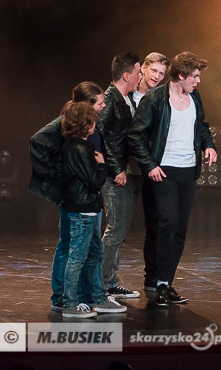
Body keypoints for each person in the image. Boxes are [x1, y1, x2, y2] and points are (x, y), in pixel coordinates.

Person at [129, 51, 217, 306]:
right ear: (181, 75)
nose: (198, 81)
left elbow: (201, 125)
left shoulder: (195, 97)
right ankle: (158, 283)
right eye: (195, 76)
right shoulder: (155, 99)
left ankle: (164, 281)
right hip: (163, 170)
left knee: (179, 229)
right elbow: (135, 134)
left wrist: (208, 145)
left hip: (187, 170)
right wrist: (149, 165)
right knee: (166, 224)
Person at [29, 81, 106, 311]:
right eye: (100, 103)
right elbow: (37, 141)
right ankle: (63, 297)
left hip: (87, 195)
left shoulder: (88, 124)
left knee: (87, 248)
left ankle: (86, 296)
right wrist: (56, 176)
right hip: (75, 196)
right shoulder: (65, 122)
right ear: (87, 105)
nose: (103, 106)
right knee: (70, 246)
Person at [60, 102, 127, 317]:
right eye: (92, 122)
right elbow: (94, 182)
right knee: (78, 257)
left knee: (95, 255)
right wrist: (101, 164)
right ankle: (70, 304)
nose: (95, 126)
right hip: (83, 210)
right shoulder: (80, 149)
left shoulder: (76, 146)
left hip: (87, 208)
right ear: (85, 124)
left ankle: (99, 299)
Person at [99, 53, 142, 299]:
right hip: (113, 175)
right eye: (138, 72)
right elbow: (100, 136)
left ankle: (110, 282)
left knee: (120, 230)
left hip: (125, 172)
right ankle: (101, 286)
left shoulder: (126, 99)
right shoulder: (110, 99)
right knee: (115, 230)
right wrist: (116, 168)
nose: (140, 76)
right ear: (127, 75)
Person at [131, 52, 170, 294]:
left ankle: (152, 279)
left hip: (153, 168)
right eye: (154, 70)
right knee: (117, 229)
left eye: (161, 73)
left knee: (155, 225)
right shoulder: (127, 95)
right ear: (143, 68)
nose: (156, 76)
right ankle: (105, 284)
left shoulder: (163, 97)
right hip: (128, 168)